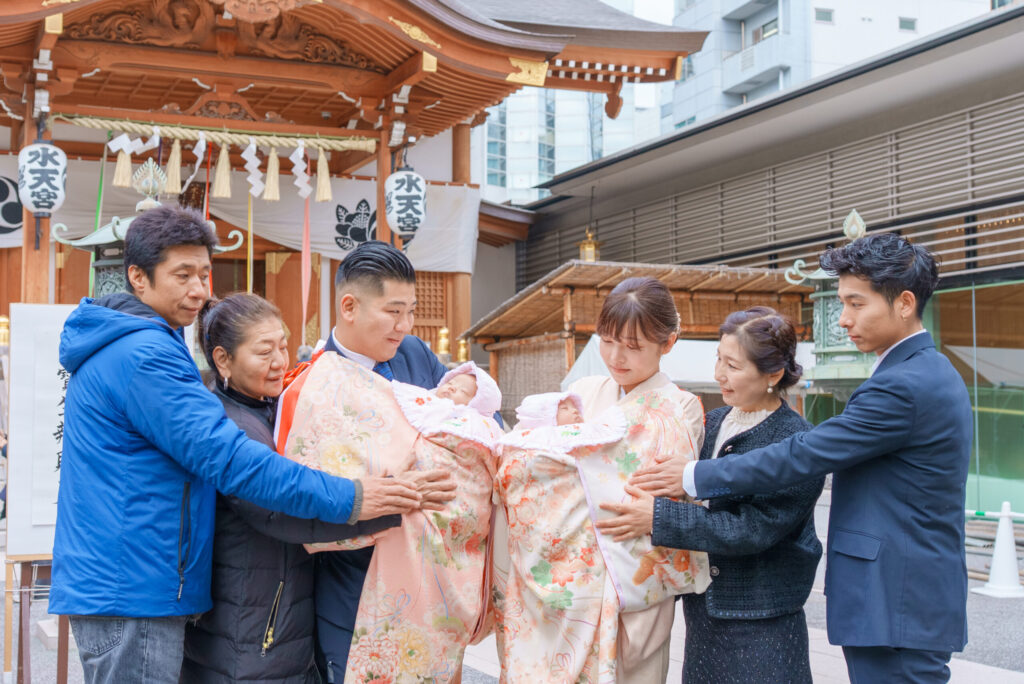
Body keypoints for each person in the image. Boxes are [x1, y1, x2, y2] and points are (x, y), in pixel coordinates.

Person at [50, 206, 425, 684]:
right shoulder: (143, 356)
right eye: (182, 275)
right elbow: (229, 459)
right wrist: (353, 497)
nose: (200, 290)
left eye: (205, 273)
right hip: (134, 589)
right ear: (137, 278)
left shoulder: (144, 343)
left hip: (136, 584)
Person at [682, 234, 972, 683]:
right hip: (902, 599)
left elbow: (807, 453)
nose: (842, 319)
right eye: (842, 303)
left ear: (904, 303)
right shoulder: (917, 371)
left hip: (896, 600)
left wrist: (694, 476)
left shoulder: (905, 385)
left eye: (856, 304)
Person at [181, 294, 404, 683]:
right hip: (248, 638)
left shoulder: (273, 408)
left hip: (277, 627)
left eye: (283, 345)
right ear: (223, 360)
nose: (280, 361)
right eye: (264, 351)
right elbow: (284, 513)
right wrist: (385, 506)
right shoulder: (228, 427)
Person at [596, 306, 824, 683]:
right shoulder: (713, 421)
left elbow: (752, 530)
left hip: (762, 624)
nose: (719, 374)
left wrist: (657, 518)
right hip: (705, 618)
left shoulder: (795, 441)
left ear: (774, 374)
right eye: (718, 359)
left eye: (733, 366)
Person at [274, 240, 465, 682]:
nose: (405, 325)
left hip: (432, 581)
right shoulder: (314, 383)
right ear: (349, 306)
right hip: (356, 587)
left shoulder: (415, 354)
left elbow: (467, 427)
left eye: (411, 311)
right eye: (394, 311)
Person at [566, 277, 705, 683]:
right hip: (576, 569)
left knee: (637, 671)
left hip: (636, 566)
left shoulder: (681, 406)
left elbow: (662, 487)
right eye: (607, 341)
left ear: (668, 342)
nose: (616, 356)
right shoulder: (582, 392)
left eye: (634, 346)